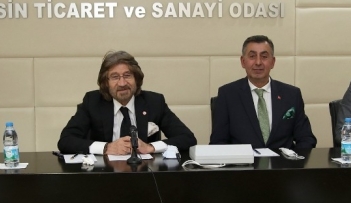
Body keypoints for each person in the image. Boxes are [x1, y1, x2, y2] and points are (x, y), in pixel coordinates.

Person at [57, 51, 197, 155]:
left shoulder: (154, 102)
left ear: (136, 79)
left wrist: (151, 147)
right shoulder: (92, 102)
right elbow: (66, 141)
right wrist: (107, 148)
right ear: (106, 83)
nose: (122, 83)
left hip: (146, 176)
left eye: (127, 75)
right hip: (103, 176)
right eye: (115, 77)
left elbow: (188, 138)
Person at [210, 35, 317, 149]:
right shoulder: (227, 95)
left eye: (264, 57)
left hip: (283, 160)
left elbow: (306, 139)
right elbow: (218, 142)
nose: (258, 62)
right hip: (245, 160)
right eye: (252, 56)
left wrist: (294, 158)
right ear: (243, 61)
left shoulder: (291, 95)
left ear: (273, 62)